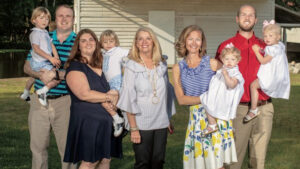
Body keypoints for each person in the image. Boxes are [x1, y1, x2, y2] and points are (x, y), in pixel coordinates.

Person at [215, 4, 274, 169]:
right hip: (237, 109)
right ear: (237, 18)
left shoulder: (267, 47)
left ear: (255, 20)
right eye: (243, 14)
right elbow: (217, 82)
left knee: (258, 162)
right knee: (233, 161)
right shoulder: (226, 47)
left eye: (251, 15)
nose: (247, 18)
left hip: (264, 107)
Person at [173, 25, 236, 169]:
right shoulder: (178, 68)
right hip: (196, 119)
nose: (194, 43)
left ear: (202, 43)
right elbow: (182, 99)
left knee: (217, 165)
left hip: (216, 118)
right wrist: (207, 97)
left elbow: (230, 87)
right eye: (190, 39)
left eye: (198, 39)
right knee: (200, 164)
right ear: (184, 40)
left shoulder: (212, 63)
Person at [23, 5, 77, 169]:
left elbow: (83, 73)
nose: (64, 19)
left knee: (68, 149)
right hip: (39, 104)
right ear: (54, 18)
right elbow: (26, 67)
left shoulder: (79, 41)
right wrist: (40, 75)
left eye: (68, 16)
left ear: (73, 19)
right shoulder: (43, 35)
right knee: (38, 149)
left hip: (66, 102)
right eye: (60, 15)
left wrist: (59, 75)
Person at [117, 27, 176, 169]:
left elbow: (166, 94)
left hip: (161, 122)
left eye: (148, 38)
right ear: (136, 43)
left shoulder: (161, 65)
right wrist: (134, 128)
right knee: (143, 163)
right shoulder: (131, 67)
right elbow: (128, 98)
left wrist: (167, 117)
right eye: (140, 39)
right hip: (141, 123)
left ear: (154, 42)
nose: (144, 42)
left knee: (158, 162)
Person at [63, 28, 120, 169]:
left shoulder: (102, 64)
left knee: (106, 159)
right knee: (89, 161)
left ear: (96, 42)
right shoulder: (76, 67)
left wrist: (116, 100)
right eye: (83, 40)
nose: (88, 43)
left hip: (107, 121)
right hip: (88, 122)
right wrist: (109, 97)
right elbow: (84, 94)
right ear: (78, 46)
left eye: (91, 39)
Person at [244, 20, 290, 122]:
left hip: (271, 77)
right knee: (254, 86)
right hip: (277, 76)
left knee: (253, 86)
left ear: (278, 37)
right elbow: (269, 56)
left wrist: (256, 52)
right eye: (265, 36)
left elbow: (263, 61)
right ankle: (254, 109)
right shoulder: (279, 46)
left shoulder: (272, 49)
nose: (267, 38)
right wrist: (261, 50)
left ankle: (253, 109)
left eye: (270, 36)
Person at [200, 43, 244, 135]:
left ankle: (227, 127)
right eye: (226, 59)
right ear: (222, 59)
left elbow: (231, 85)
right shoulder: (222, 69)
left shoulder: (235, 73)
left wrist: (226, 75)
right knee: (205, 99)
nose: (229, 61)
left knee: (220, 109)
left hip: (226, 96)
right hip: (218, 94)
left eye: (233, 59)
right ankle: (212, 124)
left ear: (237, 61)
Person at [20, 7, 61, 106]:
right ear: (34, 20)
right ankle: (43, 91)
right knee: (57, 78)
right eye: (41, 18)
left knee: (34, 77)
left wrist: (56, 57)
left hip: (42, 62)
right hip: (40, 62)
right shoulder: (35, 33)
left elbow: (51, 45)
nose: (45, 21)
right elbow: (36, 49)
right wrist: (51, 58)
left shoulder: (45, 32)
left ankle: (25, 93)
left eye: (47, 19)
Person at [99, 29, 130, 137]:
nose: (108, 44)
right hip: (106, 82)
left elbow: (132, 53)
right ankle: (119, 119)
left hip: (116, 81)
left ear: (116, 42)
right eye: (105, 42)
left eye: (111, 41)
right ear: (101, 43)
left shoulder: (118, 51)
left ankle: (120, 120)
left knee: (114, 101)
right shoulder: (103, 53)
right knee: (102, 99)